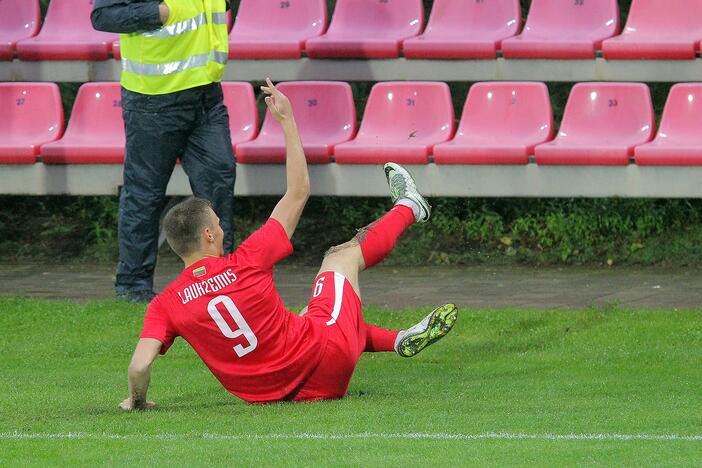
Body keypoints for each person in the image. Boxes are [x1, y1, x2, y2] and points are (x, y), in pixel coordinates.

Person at [118, 80, 458, 409]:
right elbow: (298, 191)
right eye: (218, 224)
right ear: (208, 235)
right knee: (339, 258)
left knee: (314, 314)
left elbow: (139, 366)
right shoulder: (247, 260)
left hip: (277, 395)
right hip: (324, 366)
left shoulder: (165, 304)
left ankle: (399, 339)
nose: (222, 229)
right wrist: (288, 121)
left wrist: (138, 401)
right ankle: (412, 206)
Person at [91, 0, 235, 303]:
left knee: (217, 189)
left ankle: (223, 280)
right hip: (152, 101)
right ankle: (133, 288)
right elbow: (102, 15)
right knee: (144, 196)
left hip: (207, 96)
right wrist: (158, 13)